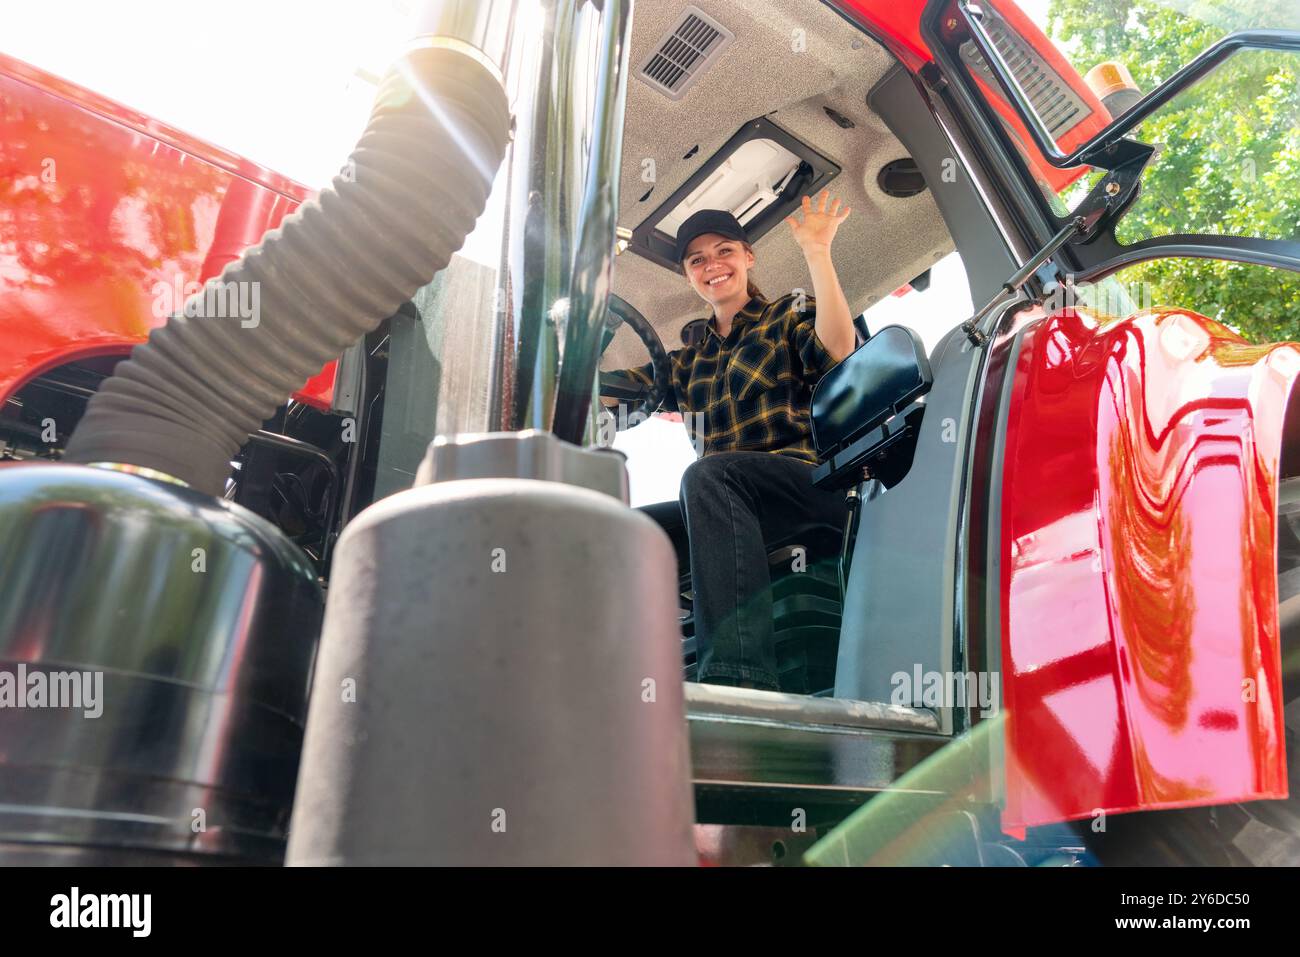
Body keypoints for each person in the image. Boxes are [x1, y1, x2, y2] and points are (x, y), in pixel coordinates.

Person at [608, 191, 858, 691]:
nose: (712, 265)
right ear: (688, 276)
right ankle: (628, 690)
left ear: (748, 257)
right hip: (727, 506)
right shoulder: (686, 363)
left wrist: (817, 252)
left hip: (807, 489)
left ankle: (737, 679)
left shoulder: (785, 317)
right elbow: (614, 395)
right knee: (622, 532)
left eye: (724, 251)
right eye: (697, 260)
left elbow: (837, 350)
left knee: (711, 474)